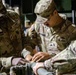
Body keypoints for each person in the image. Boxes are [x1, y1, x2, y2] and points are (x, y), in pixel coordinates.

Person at [0, 0, 37, 75]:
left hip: (23, 68)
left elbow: (24, 39)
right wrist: (11, 61)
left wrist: (27, 53)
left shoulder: (13, 16)